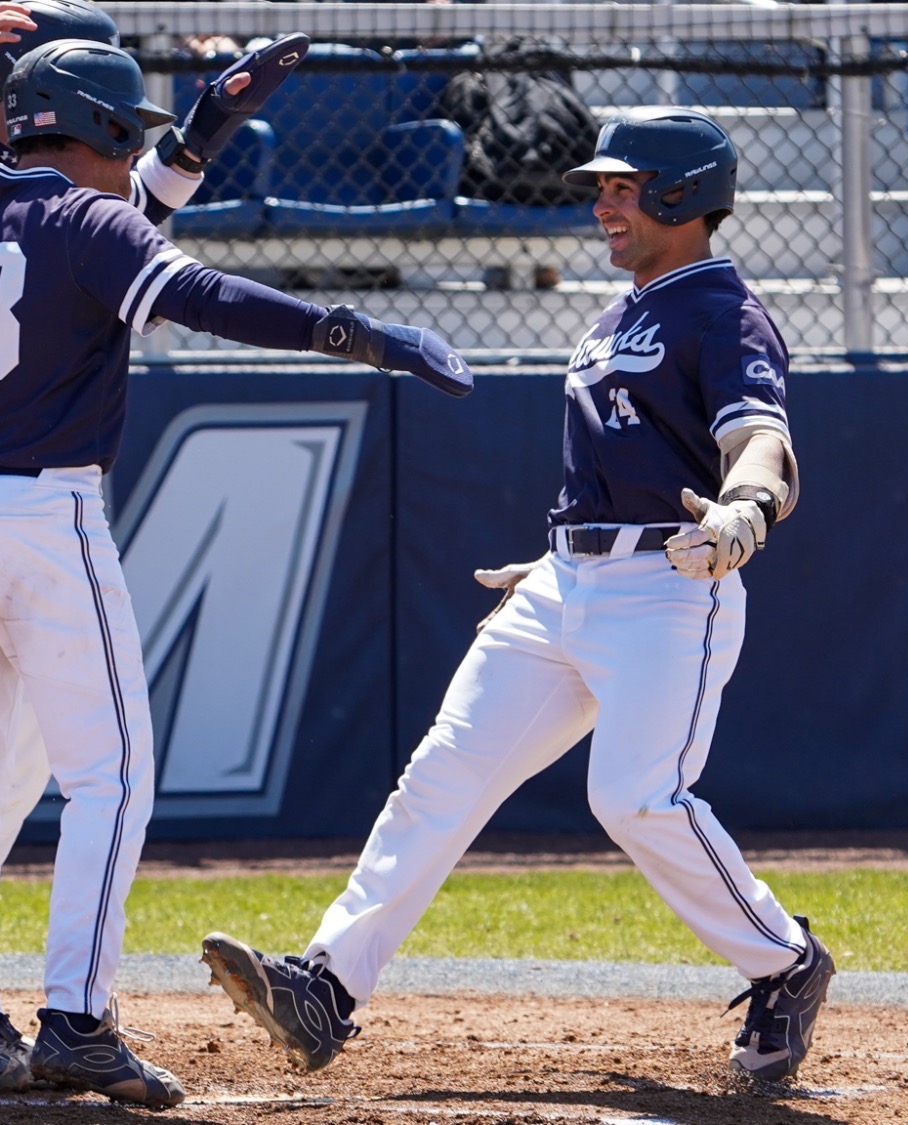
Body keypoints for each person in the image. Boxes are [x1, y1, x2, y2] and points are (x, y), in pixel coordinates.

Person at [0, 38, 470, 1103]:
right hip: (37, 514)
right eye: (127, 139)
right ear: (100, 129)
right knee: (109, 775)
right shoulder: (85, 217)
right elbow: (205, 297)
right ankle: (76, 1019)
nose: (129, 160)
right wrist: (354, 332)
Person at [198, 106, 835, 1087]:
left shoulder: (721, 308)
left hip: (671, 585)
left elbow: (761, 439)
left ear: (681, 194)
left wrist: (746, 506)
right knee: (440, 775)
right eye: (601, 187)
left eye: (622, 187)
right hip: (565, 583)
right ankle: (324, 989)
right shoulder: (614, 314)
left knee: (632, 796)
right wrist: (559, 561)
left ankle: (783, 962)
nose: (600, 203)